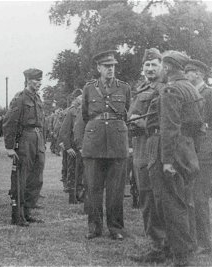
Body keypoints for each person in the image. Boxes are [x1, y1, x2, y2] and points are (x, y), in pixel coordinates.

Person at [147, 51, 203, 266]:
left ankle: (181, 256)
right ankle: (185, 249)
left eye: (160, 65)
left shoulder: (171, 89)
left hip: (173, 150)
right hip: (187, 149)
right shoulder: (189, 87)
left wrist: (167, 160)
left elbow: (170, 127)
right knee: (185, 201)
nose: (158, 69)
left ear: (167, 67)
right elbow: (198, 125)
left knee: (172, 204)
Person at [81, 50, 131, 240]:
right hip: (94, 143)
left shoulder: (124, 88)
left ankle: (116, 228)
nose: (111, 69)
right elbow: (85, 115)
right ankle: (94, 227)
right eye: (107, 66)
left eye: (113, 66)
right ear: (98, 68)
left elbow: (127, 114)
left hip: (117, 143)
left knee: (116, 189)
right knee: (93, 187)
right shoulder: (89, 88)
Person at [128, 48, 168, 263]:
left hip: (155, 146)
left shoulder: (165, 88)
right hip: (140, 147)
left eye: (154, 64)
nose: (150, 69)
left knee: (156, 195)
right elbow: (130, 115)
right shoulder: (141, 88)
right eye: (147, 65)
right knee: (145, 194)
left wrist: (139, 122)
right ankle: (156, 242)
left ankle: (160, 244)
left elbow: (162, 121)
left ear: (162, 66)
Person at [185, 59, 212, 255]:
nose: (186, 75)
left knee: (199, 198)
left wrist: (211, 150)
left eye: (189, 72)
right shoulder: (191, 94)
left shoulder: (211, 94)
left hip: (205, 155)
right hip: (191, 152)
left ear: (199, 74)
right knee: (190, 197)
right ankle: (193, 239)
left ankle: (204, 242)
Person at [3, 68, 45, 226]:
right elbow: (9, 122)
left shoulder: (38, 98)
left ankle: (27, 212)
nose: (39, 83)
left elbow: (43, 123)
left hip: (37, 139)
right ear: (28, 80)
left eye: (40, 80)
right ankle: (17, 215)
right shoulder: (20, 98)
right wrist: (9, 146)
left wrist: (43, 142)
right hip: (25, 138)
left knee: (36, 177)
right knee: (21, 178)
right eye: (36, 80)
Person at [59, 91, 83, 204]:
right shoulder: (71, 111)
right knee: (72, 171)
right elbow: (65, 131)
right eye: (80, 97)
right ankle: (72, 197)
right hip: (73, 147)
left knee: (83, 172)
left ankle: (81, 194)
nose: (82, 98)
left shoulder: (88, 111)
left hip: (84, 147)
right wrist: (68, 147)